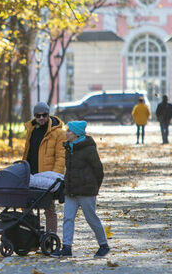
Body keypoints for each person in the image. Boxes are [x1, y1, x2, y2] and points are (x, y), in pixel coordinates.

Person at [51, 121, 109, 258]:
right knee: (68, 218)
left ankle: (103, 245)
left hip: (86, 191)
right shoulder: (68, 147)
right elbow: (69, 170)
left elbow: (98, 170)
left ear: (76, 134)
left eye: (69, 131)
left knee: (91, 218)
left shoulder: (88, 149)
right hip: (71, 190)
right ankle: (66, 247)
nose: (66, 133)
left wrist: (94, 187)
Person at [22, 102, 66, 233]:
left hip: (48, 177)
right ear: (34, 116)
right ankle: (33, 234)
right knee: (25, 205)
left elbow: (61, 157)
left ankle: (51, 236)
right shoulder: (31, 130)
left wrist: (55, 177)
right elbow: (28, 152)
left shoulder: (58, 133)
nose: (41, 118)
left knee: (49, 208)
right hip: (31, 175)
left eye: (44, 115)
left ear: (48, 115)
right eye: (38, 115)